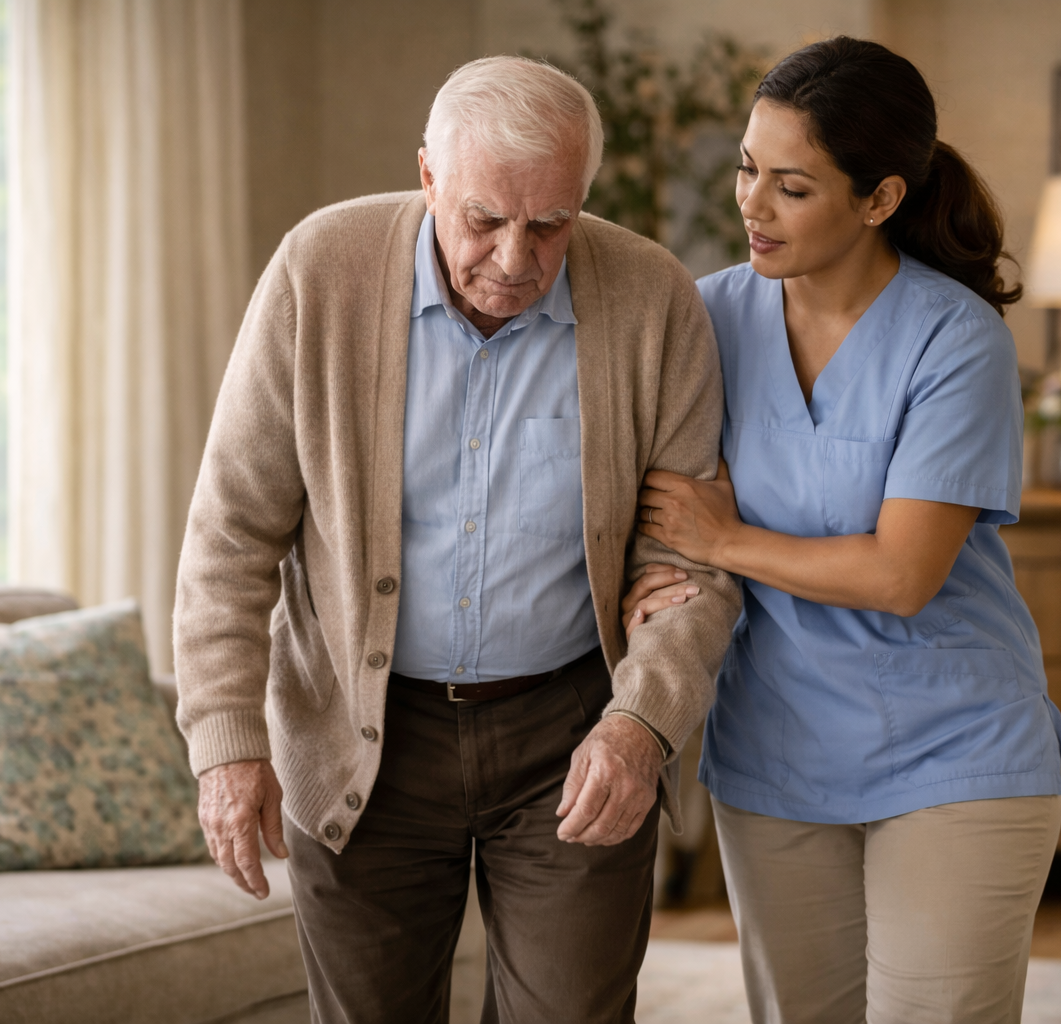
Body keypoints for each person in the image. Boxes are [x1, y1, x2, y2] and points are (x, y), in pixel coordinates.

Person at [173, 56, 740, 1023]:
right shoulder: (322, 270)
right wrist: (225, 743)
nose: (515, 259)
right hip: (360, 732)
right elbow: (232, 533)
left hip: (572, 732)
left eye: (550, 224)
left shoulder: (653, 302)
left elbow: (692, 562)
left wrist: (641, 721)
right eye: (484, 219)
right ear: (429, 175)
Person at [625, 37, 1061, 1024]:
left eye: (792, 186)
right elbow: (655, 513)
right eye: (749, 168)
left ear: (878, 199)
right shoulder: (702, 318)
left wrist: (726, 537)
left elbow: (903, 573)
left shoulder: (956, 338)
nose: (750, 203)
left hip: (954, 747)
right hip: (772, 748)